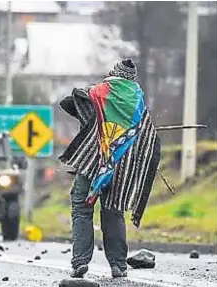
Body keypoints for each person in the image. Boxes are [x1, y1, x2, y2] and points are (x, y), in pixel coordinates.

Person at [58, 59, 161, 279]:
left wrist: (88, 118)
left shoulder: (99, 92)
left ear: (113, 75)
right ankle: (118, 266)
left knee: (82, 208)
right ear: (132, 79)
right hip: (121, 167)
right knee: (114, 211)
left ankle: (80, 263)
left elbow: (68, 102)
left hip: (92, 162)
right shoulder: (138, 101)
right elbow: (145, 137)